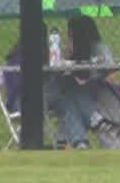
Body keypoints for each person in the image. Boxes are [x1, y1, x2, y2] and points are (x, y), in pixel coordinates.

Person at [48, 13, 116, 149]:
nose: (68, 37)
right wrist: (68, 55)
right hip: (73, 94)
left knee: (70, 95)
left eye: (70, 34)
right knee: (70, 96)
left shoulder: (99, 48)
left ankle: (76, 141)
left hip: (97, 90)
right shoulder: (75, 48)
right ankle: (90, 122)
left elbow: (110, 76)